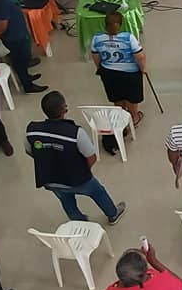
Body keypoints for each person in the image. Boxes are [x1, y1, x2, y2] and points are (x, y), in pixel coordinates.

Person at [26, 91, 128, 224]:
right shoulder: (76, 133)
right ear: (64, 109)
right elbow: (91, 157)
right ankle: (112, 214)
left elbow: (30, 151)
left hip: (50, 180)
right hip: (78, 179)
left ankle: (79, 221)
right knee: (98, 192)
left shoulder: (32, 130)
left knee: (65, 199)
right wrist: (83, 171)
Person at [90, 10, 148, 130]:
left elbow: (96, 57)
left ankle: (121, 118)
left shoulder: (97, 38)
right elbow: (140, 56)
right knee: (132, 98)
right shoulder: (128, 38)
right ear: (120, 25)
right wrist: (142, 69)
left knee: (117, 97)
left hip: (109, 73)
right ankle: (134, 118)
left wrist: (100, 68)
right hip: (130, 73)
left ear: (105, 24)